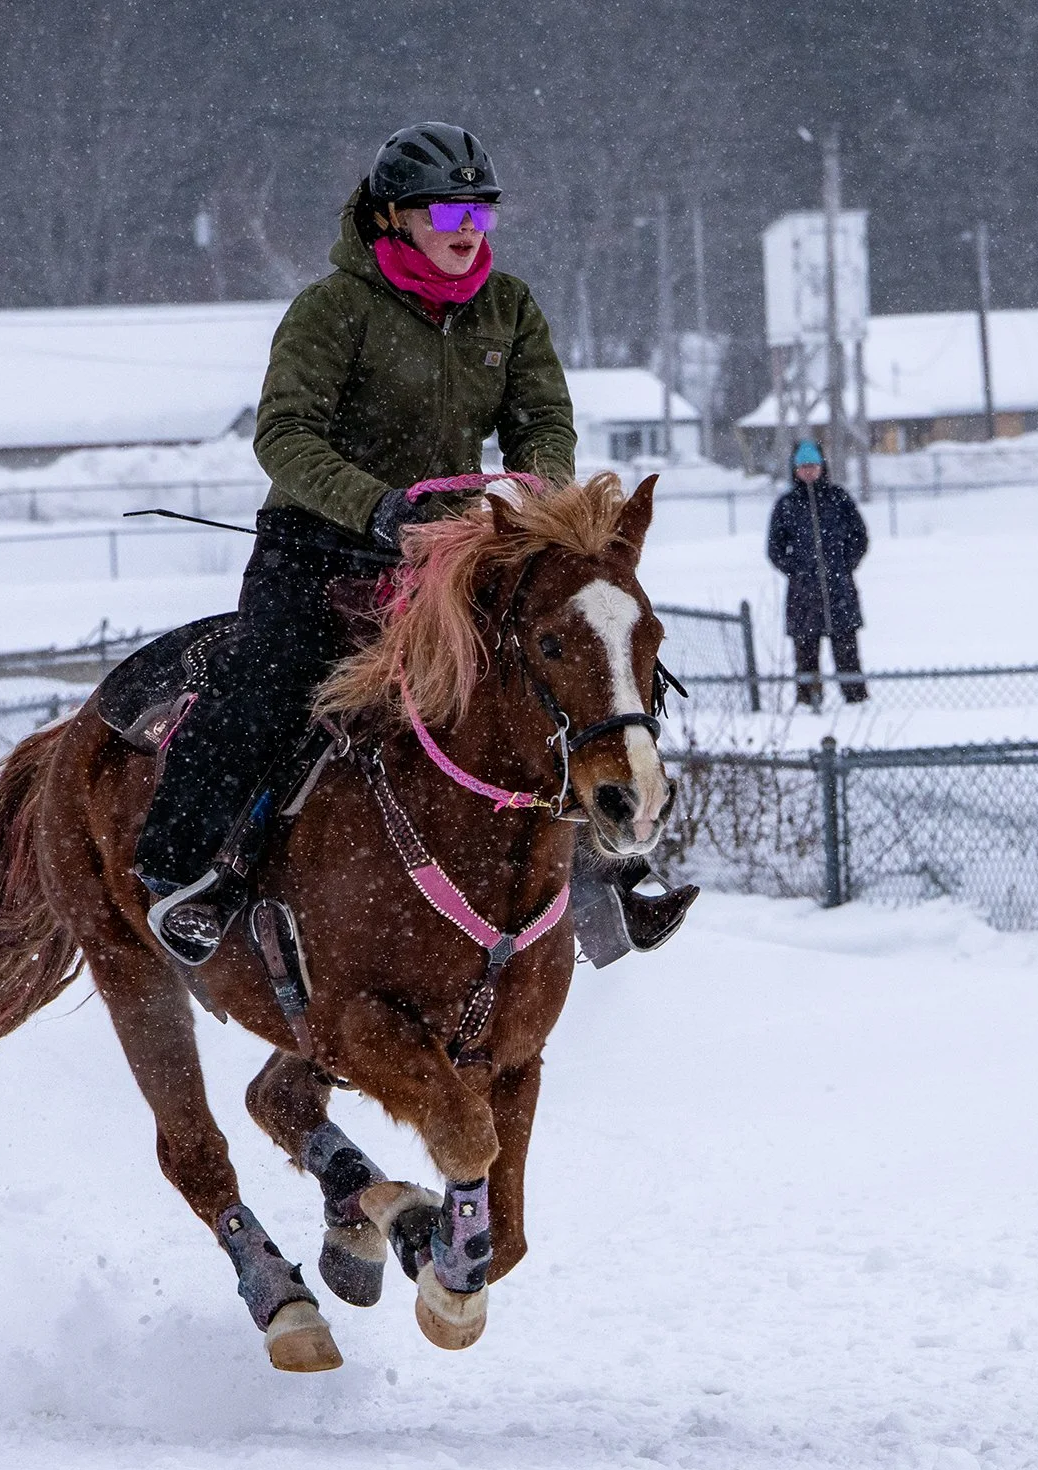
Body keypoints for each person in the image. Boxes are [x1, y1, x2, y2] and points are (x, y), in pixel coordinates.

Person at [134, 121, 693, 967]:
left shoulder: (509, 307)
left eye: (482, 213)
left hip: (451, 553)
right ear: (393, 217)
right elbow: (284, 434)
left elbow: (541, 420)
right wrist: (378, 508)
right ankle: (192, 875)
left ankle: (610, 873)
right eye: (447, 211)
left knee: (556, 673)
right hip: (318, 550)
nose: (468, 230)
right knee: (267, 688)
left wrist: (535, 493)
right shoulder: (330, 310)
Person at [767, 438, 870, 708]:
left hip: (840, 593)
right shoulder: (786, 505)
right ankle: (807, 701)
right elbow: (775, 548)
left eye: (813, 465)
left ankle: (856, 700)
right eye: (803, 467)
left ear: (822, 466)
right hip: (803, 597)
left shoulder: (838, 498)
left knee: (847, 651)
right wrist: (797, 571)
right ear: (795, 470)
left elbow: (859, 537)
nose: (809, 471)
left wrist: (844, 565)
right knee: (805, 653)